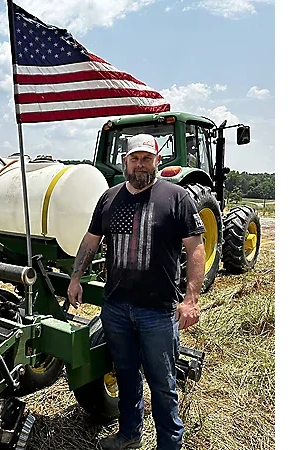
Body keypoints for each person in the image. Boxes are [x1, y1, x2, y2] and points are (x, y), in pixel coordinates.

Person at [67, 133, 206, 450]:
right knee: (126, 376)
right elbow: (91, 241)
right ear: (124, 161)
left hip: (157, 310)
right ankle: (129, 435)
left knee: (162, 383)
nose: (140, 164)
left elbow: (196, 247)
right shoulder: (109, 198)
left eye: (147, 158)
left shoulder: (176, 197)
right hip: (116, 308)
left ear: (158, 160)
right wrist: (76, 278)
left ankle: (170, 444)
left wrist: (190, 299)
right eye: (134, 158)